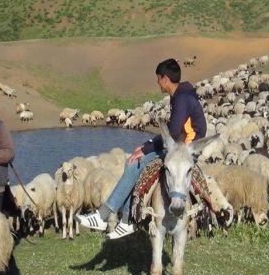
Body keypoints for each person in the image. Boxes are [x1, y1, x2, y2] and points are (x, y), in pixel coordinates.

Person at [75, 58, 207, 240]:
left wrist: (146, 150)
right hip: (180, 147)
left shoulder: (181, 98)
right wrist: (147, 145)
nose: (157, 82)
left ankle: (106, 215)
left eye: (158, 78)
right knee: (136, 159)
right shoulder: (182, 95)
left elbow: (174, 131)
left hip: (183, 151)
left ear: (165, 78)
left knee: (135, 163)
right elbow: (173, 130)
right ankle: (126, 220)